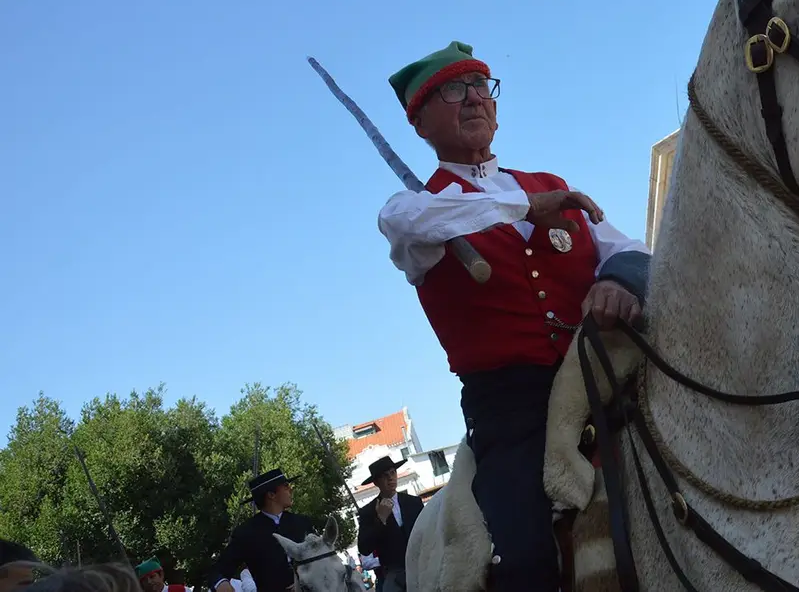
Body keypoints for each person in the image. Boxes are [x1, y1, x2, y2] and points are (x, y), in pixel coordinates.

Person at [377, 41, 652, 591]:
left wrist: (617, 282)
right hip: (511, 408)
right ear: (420, 123)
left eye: (482, 86)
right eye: (454, 89)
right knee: (523, 561)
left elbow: (628, 248)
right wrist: (525, 208)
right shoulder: (410, 211)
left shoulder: (550, 183)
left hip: (604, 372)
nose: (475, 98)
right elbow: (420, 224)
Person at [206, 469, 319, 592]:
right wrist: (221, 583)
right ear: (271, 495)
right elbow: (217, 571)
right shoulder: (246, 532)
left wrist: (303, 582)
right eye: (285, 486)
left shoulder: (303, 523)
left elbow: (322, 559)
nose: (291, 489)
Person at [355, 456, 422, 592]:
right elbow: (364, 547)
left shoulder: (414, 502)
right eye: (385, 476)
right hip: (394, 574)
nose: (391, 478)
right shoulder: (368, 511)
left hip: (422, 565)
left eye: (393, 473)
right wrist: (381, 519)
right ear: (376, 482)